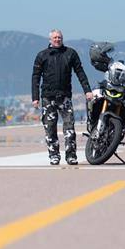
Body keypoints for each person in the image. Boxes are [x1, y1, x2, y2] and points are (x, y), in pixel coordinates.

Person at [32, 29, 93, 165]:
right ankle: (54, 155)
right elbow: (35, 77)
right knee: (50, 128)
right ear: (50, 40)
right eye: (55, 37)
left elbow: (80, 72)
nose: (57, 39)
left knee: (69, 128)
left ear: (62, 39)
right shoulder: (42, 55)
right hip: (48, 97)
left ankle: (71, 156)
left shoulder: (70, 53)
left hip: (65, 97)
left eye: (59, 37)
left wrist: (87, 91)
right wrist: (35, 97)